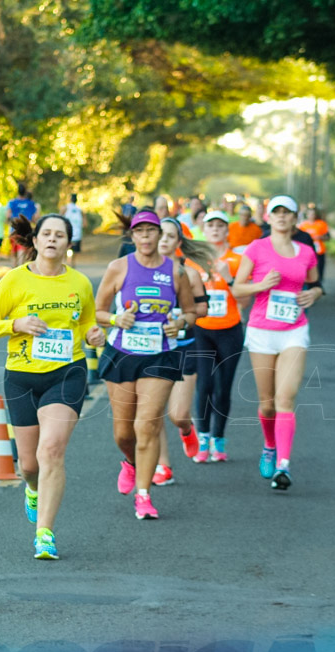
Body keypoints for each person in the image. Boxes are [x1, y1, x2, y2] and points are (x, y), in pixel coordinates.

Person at [0, 214, 104, 559]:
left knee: (52, 452)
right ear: (34, 241)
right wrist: (17, 323)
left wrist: (95, 335)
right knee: (29, 465)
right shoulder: (14, 280)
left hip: (67, 373)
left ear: (68, 243)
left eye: (59, 235)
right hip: (21, 375)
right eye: (46, 234)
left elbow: (89, 323)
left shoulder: (79, 283)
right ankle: (32, 489)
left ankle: (44, 533)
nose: (52, 240)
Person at [95, 209, 197, 519]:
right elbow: (97, 312)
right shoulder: (118, 268)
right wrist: (116, 318)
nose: (146, 236)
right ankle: (130, 462)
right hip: (123, 353)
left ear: (159, 235)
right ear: (133, 236)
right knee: (124, 433)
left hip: (160, 353)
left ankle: (144, 496)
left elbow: (192, 313)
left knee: (148, 425)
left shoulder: (176, 271)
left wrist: (179, 322)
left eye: (151, 231)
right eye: (139, 231)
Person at [231, 195, 322, 491]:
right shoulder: (257, 248)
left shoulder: (307, 252)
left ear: (296, 219)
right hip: (261, 331)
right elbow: (237, 288)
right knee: (267, 403)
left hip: (295, 330)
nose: (282, 217)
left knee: (286, 398)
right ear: (268, 218)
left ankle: (283, 464)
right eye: (277, 212)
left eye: (288, 213)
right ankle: (269, 445)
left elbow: (315, 284)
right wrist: (261, 286)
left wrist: (314, 294)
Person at [152, 217, 211, 486]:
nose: (163, 240)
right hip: (152, 349)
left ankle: (187, 429)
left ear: (178, 242)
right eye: (159, 234)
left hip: (185, 348)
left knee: (176, 414)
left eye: (169, 236)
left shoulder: (189, 273)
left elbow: (203, 310)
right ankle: (163, 465)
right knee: (152, 414)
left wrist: (180, 316)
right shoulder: (138, 271)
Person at [192, 210, 246, 463]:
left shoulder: (237, 260)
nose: (215, 229)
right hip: (202, 329)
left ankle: (219, 439)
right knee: (204, 385)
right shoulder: (193, 261)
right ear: (204, 229)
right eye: (210, 225)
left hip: (230, 330)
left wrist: (229, 278)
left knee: (222, 389)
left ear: (227, 231)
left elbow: (245, 298)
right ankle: (203, 439)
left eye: (220, 226)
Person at [7, 183, 38, 266]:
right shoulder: (31, 203)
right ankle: (20, 271)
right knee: (22, 253)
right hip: (26, 231)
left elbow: (8, 215)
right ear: (25, 192)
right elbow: (35, 218)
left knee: (14, 253)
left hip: (14, 230)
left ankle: (14, 270)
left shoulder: (12, 203)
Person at [298, 205, 330, 281]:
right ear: (307, 215)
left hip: (319, 251)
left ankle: (319, 284)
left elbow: (328, 237)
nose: (311, 216)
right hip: (307, 251)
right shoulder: (303, 225)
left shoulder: (321, 224)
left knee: (319, 269)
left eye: (313, 214)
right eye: (310, 214)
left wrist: (321, 237)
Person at [62, 193, 84, 267]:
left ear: (70, 199)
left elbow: (59, 218)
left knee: (64, 250)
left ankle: (64, 264)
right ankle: (72, 265)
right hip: (77, 234)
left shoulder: (65, 208)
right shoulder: (80, 210)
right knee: (74, 253)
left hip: (66, 233)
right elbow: (85, 224)